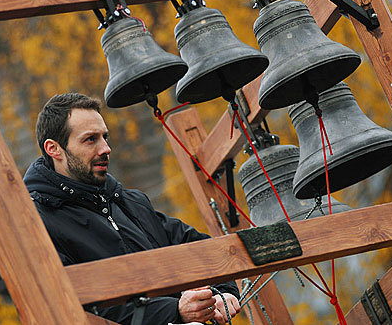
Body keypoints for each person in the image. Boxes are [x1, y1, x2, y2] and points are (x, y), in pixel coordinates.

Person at [23, 93, 241, 325]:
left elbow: (200, 248)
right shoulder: (39, 223)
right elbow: (71, 307)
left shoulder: (132, 202)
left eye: (104, 137)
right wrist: (174, 311)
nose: (106, 148)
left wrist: (222, 293)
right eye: (90, 139)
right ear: (54, 149)